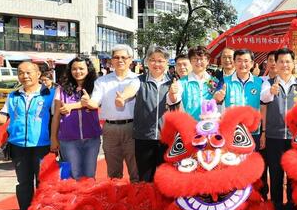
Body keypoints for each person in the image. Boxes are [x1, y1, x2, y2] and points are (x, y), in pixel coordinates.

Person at [0, 61, 55, 210]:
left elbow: (57, 120)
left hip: (42, 145)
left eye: (29, 72)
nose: (25, 76)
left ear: (38, 74)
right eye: (21, 72)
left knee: (43, 182)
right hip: (18, 146)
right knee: (23, 182)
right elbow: (1, 121)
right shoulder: (13, 96)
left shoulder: (50, 95)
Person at [260, 48, 297, 210]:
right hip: (274, 137)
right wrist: (271, 91)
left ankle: (292, 209)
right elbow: (264, 98)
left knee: (294, 175)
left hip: (295, 138)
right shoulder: (268, 83)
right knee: (276, 174)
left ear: (293, 64)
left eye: (288, 61)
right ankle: (277, 208)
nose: (284, 65)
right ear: (275, 64)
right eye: (281, 61)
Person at [120, 46, 181, 182]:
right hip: (144, 136)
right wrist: (122, 97)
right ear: (147, 61)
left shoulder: (174, 82)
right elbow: (130, 91)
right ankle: (147, 202)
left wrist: (172, 93)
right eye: (152, 60)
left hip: (166, 137)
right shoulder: (139, 81)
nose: (156, 64)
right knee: (145, 177)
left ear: (166, 62)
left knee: (164, 177)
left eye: (160, 61)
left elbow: (174, 100)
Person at [88, 44, 140, 182]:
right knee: (113, 172)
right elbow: (95, 101)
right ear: (111, 60)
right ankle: (115, 201)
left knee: (136, 170)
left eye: (124, 57)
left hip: (133, 128)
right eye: (116, 57)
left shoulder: (139, 80)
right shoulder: (102, 81)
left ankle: (138, 201)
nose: (120, 60)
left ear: (130, 60)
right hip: (110, 129)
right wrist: (87, 102)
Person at [50, 56, 102, 179]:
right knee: (74, 175)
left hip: (92, 139)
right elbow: (56, 115)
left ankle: (88, 199)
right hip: (68, 140)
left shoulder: (96, 87)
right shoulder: (61, 89)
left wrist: (72, 106)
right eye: (74, 69)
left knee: (89, 175)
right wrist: (53, 138)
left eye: (81, 68)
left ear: (88, 69)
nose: (77, 72)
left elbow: (96, 104)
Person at [223, 49, 263, 140]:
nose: (242, 64)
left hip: (253, 131)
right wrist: (216, 98)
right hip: (231, 131)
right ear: (234, 62)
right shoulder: (224, 81)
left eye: (246, 61)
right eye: (239, 60)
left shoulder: (260, 82)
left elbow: (264, 107)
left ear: (252, 63)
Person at [180, 46, 226, 120]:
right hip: (189, 126)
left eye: (201, 59)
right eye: (195, 59)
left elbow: (218, 104)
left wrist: (217, 99)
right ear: (190, 61)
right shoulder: (182, 83)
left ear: (207, 61)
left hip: (210, 127)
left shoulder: (213, 82)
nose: (198, 62)